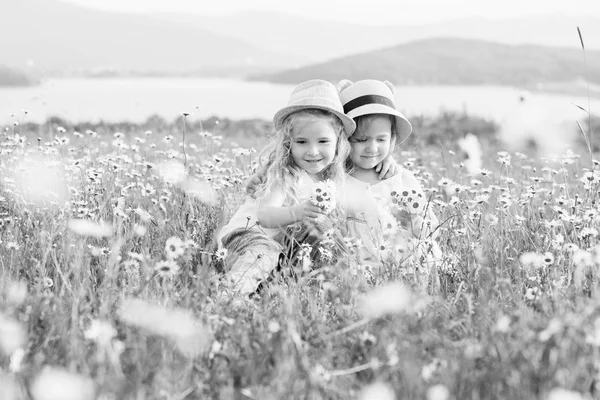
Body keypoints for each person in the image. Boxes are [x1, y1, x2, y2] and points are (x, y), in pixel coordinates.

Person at [216, 79, 356, 296]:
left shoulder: (326, 179)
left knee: (325, 234)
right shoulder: (286, 173)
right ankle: (230, 294)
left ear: (338, 142)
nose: (312, 151)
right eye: (302, 142)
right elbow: (265, 216)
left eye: (322, 142)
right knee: (265, 253)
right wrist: (297, 212)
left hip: (278, 248)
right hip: (244, 238)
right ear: (288, 143)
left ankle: (328, 287)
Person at [338, 79, 441, 290]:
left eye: (381, 139)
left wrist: (414, 222)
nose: (372, 148)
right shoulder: (338, 178)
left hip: (403, 262)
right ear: (343, 139)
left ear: (392, 139)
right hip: (358, 265)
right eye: (360, 140)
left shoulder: (400, 179)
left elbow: (432, 228)